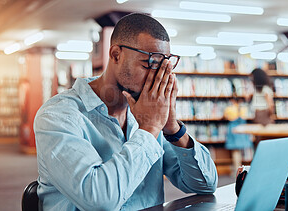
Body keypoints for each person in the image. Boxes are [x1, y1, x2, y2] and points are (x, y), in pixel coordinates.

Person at [34, 13, 218, 211]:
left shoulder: (148, 113)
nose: (157, 77)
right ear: (115, 55)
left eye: (164, 66)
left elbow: (205, 185)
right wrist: (149, 129)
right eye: (149, 63)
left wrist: (173, 129)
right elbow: (100, 200)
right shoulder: (57, 116)